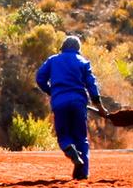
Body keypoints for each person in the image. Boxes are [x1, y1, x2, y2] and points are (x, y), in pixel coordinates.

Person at [33, 34, 102, 180]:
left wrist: (51, 91)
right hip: (78, 103)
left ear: (63, 48)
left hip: (59, 102)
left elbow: (40, 78)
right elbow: (92, 85)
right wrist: (99, 105)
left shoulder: (53, 60)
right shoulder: (83, 62)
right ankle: (82, 173)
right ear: (78, 49)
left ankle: (70, 149)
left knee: (64, 135)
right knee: (81, 137)